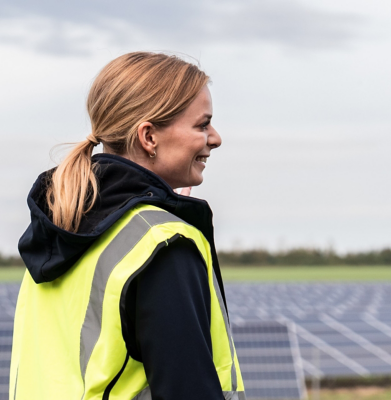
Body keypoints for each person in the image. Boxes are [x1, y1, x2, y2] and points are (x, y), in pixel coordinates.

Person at [10, 52, 245, 399]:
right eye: (202, 125)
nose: (215, 138)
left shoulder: (55, 234)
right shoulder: (163, 247)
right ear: (149, 137)